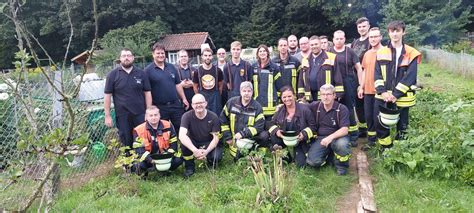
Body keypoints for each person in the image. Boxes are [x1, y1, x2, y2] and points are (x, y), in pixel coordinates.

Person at [374, 20, 421, 148]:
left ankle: (400, 151)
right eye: (392, 31)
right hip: (382, 96)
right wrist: (382, 91)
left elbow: (410, 77)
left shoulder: (412, 53)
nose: (395, 34)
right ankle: (386, 149)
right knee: (381, 124)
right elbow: (377, 75)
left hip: (403, 97)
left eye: (398, 31)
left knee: (403, 125)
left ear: (403, 32)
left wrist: (395, 94)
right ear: (388, 33)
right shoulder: (381, 52)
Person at [104, 48, 152, 149]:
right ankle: (129, 164)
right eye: (124, 56)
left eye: (129, 56)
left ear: (133, 58)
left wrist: (148, 111)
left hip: (140, 114)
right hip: (123, 116)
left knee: (142, 141)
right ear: (120, 59)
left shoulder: (141, 74)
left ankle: (143, 163)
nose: (126, 58)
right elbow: (107, 96)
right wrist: (107, 115)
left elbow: (147, 93)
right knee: (126, 142)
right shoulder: (112, 75)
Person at [145, 43, 189, 134]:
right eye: (158, 53)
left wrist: (184, 99)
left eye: (162, 53)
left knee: (181, 129)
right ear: (153, 54)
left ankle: (182, 147)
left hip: (175, 105)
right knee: (163, 132)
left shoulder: (172, 67)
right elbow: (147, 91)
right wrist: (149, 108)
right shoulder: (147, 71)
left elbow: (178, 85)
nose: (160, 55)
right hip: (160, 107)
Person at [307, 84, 351, 175]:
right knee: (313, 162)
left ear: (334, 95)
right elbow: (299, 106)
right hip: (321, 139)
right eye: (323, 94)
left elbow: (345, 129)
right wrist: (282, 106)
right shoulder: (315, 106)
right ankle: (330, 156)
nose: (325, 97)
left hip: (338, 137)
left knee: (341, 144)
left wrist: (330, 138)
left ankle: (342, 166)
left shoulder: (342, 109)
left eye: (328, 94)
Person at [330, 30, 363, 146]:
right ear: (333, 40)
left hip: (348, 83)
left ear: (344, 39)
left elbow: (359, 68)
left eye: (341, 38)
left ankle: (353, 135)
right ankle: (339, 134)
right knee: (335, 109)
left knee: (349, 109)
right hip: (334, 84)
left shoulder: (350, 52)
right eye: (336, 39)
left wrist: (360, 85)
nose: (339, 41)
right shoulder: (329, 52)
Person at [269, 86, 316, 167]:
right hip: (285, 138)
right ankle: (286, 157)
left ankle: (299, 154)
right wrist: (277, 131)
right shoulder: (280, 110)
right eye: (284, 97)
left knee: (301, 165)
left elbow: (313, 126)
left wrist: (304, 134)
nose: (287, 99)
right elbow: (270, 124)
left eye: (289, 96)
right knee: (273, 137)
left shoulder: (304, 109)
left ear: (294, 96)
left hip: (300, 140)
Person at [179, 94, 223, 177]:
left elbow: (216, 138)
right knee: (184, 143)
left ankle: (210, 162)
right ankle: (189, 167)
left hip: (208, 142)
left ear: (206, 103)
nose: (198, 105)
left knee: (216, 157)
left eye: (201, 102)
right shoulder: (186, 116)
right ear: (192, 105)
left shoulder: (213, 117)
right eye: (196, 103)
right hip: (194, 142)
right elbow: (181, 135)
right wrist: (195, 150)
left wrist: (206, 151)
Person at [131, 106, 183, 176]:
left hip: (164, 156)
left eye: (156, 115)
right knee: (138, 165)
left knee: (178, 160)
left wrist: (165, 158)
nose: (153, 117)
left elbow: (174, 145)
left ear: (159, 115)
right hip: (148, 159)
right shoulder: (139, 130)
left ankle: (165, 170)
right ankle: (145, 172)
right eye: (151, 115)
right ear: (146, 117)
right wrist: (151, 160)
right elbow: (139, 150)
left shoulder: (168, 125)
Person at [220, 81, 265, 160]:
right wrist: (228, 137)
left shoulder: (257, 106)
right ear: (240, 92)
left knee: (264, 135)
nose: (246, 93)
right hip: (234, 142)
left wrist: (243, 133)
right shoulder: (231, 103)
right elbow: (223, 120)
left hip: (249, 140)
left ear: (252, 92)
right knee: (237, 159)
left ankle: (254, 152)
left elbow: (259, 126)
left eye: (249, 91)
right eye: (244, 91)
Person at [358, 27, 384, 149]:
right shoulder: (367, 54)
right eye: (371, 37)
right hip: (367, 91)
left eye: (375, 36)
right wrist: (361, 87)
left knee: (377, 117)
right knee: (368, 117)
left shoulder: (386, 52)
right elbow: (364, 71)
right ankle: (371, 141)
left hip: (380, 92)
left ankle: (382, 141)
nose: (373, 39)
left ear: (381, 37)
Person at [298, 36, 344, 102]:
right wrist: (301, 95)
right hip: (310, 97)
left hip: (326, 96)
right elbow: (301, 79)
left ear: (320, 44)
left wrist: (339, 93)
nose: (314, 46)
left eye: (316, 44)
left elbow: (337, 76)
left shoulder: (331, 57)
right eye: (312, 45)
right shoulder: (305, 60)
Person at [351, 17, 371, 138]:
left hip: (367, 76)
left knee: (367, 104)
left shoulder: (371, 40)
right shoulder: (355, 42)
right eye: (359, 27)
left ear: (368, 26)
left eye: (364, 26)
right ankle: (363, 129)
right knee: (358, 104)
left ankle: (371, 128)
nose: (362, 28)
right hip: (355, 77)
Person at [193, 48, 224, 115]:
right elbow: (195, 87)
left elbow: (220, 85)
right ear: (202, 57)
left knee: (216, 117)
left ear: (212, 56)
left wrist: (217, 95)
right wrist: (199, 97)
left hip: (215, 99)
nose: (208, 57)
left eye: (209, 55)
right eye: (205, 55)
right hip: (203, 97)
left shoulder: (218, 71)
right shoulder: (197, 71)